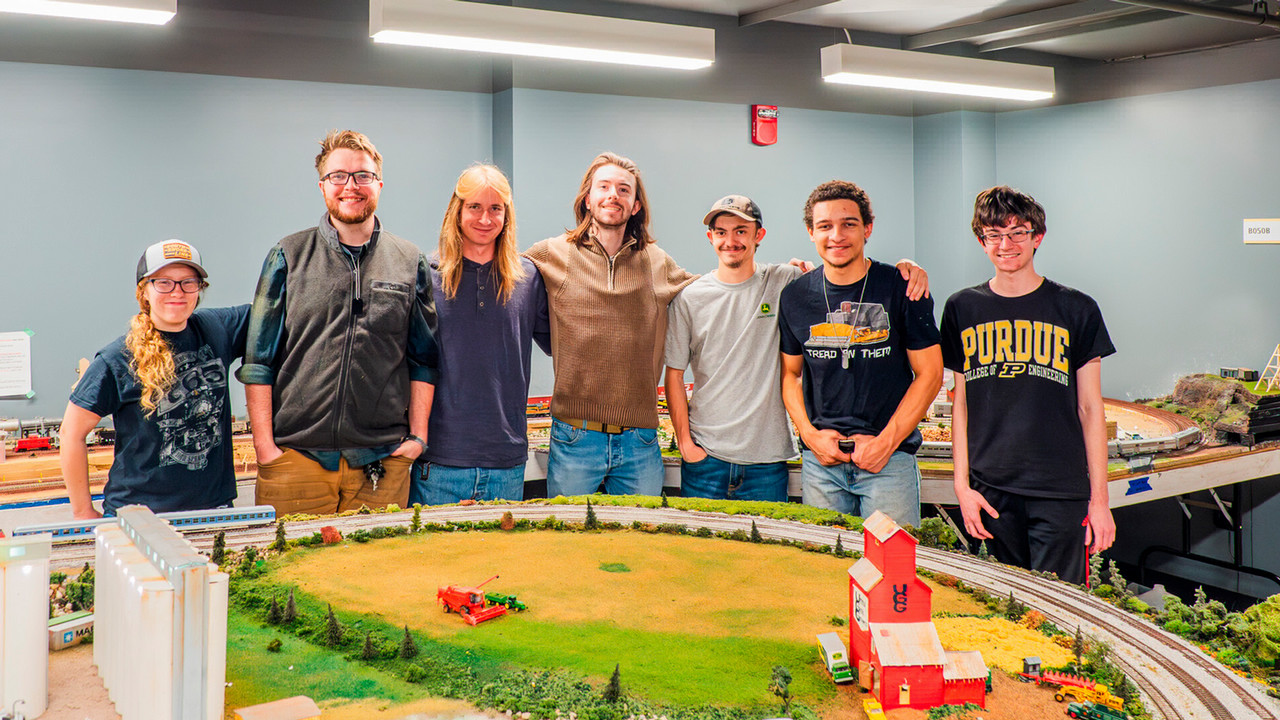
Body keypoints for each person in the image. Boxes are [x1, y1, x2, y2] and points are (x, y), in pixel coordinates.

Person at [664, 195, 931, 501]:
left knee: (771, 548)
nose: (731, 240)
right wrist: (686, 443)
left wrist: (907, 269)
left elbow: (840, 270)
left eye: (741, 230)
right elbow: (673, 375)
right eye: (721, 232)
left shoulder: (786, 281)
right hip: (705, 457)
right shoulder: (689, 297)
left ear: (758, 235)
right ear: (710, 237)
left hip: (767, 461)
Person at [236, 130, 439, 516]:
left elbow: (423, 360)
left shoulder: (409, 260)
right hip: (297, 459)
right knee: (294, 572)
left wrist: (417, 438)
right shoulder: (288, 255)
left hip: (382, 461)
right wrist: (266, 447)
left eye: (362, 175)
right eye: (338, 176)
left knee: (374, 573)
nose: (351, 186)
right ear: (322, 186)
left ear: (378, 184)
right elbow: (257, 361)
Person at [940, 185, 1115, 584]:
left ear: (1038, 236)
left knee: (1062, 608)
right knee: (1006, 605)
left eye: (1018, 232)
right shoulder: (961, 308)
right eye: (994, 234)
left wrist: (1100, 501)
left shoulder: (1076, 308)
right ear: (981, 241)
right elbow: (960, 406)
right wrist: (961, 488)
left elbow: (1091, 408)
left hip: (1060, 490)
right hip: (991, 490)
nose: (1006, 244)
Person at [524, 152, 697, 498]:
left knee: (638, 543)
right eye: (603, 187)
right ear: (587, 199)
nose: (612, 195)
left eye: (623, 189)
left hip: (640, 441)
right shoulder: (552, 253)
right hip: (575, 436)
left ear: (635, 206)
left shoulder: (657, 261)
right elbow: (499, 272)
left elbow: (714, 291)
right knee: (568, 543)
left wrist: (781, 277)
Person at [779, 180, 943, 527]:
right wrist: (809, 436)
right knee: (821, 571)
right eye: (825, 226)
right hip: (821, 464)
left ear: (867, 228)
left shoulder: (902, 287)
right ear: (811, 232)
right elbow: (790, 375)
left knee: (892, 574)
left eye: (848, 224)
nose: (836, 235)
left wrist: (886, 442)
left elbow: (929, 374)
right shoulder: (794, 295)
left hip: (889, 463)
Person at [60, 240, 250, 518]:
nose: (177, 292)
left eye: (188, 282)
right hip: (140, 516)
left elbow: (280, 307)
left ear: (199, 289)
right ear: (144, 291)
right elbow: (70, 433)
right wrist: (83, 511)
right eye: (163, 282)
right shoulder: (118, 357)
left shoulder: (217, 328)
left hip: (213, 510)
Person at [411, 164, 550, 505]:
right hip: (439, 462)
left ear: (507, 215)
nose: (485, 219)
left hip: (506, 463)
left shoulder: (528, 278)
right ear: (456, 211)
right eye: (474, 207)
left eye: (495, 209)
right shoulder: (425, 275)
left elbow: (565, 344)